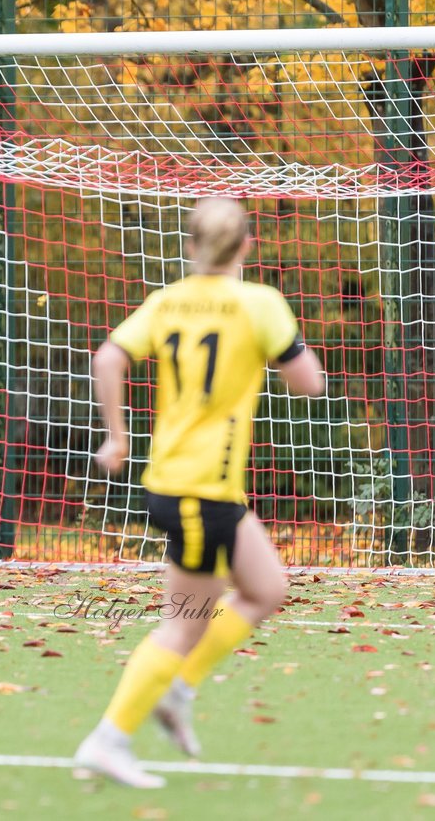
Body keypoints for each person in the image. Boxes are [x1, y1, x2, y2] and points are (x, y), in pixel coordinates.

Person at [73, 198, 325, 788]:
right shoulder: (259, 302)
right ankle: (109, 738)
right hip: (196, 489)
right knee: (184, 622)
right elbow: (309, 383)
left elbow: (109, 356)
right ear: (245, 246)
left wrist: (117, 436)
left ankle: (178, 691)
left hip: (200, 485)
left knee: (266, 589)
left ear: (190, 245)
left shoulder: (169, 301)